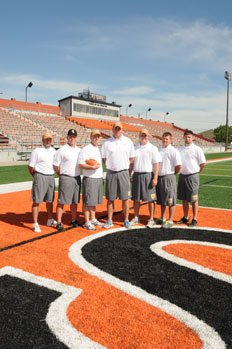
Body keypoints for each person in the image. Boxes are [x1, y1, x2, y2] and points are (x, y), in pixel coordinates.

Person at [101, 121, 135, 229]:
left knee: (125, 198)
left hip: (124, 172)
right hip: (111, 172)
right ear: (112, 130)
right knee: (110, 198)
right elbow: (104, 158)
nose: (117, 130)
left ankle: (126, 220)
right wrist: (112, 165)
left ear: (122, 130)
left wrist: (124, 164)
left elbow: (132, 157)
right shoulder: (107, 143)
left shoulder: (128, 141)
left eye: (119, 128)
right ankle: (109, 220)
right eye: (115, 128)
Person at [130, 129, 161, 228]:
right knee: (136, 198)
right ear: (139, 136)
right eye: (142, 135)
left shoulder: (152, 148)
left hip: (148, 175)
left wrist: (155, 177)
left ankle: (151, 218)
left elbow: (156, 164)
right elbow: (131, 163)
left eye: (145, 135)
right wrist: (129, 174)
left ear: (148, 136)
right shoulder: (135, 148)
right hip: (137, 175)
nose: (144, 137)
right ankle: (136, 217)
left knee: (150, 199)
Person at [28, 132, 57, 233]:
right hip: (40, 175)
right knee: (37, 201)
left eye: (50, 139)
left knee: (50, 200)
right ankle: (35, 223)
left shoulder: (54, 151)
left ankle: (50, 219)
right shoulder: (37, 151)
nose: (48, 140)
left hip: (50, 177)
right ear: (42, 140)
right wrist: (36, 176)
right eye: (46, 139)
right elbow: (30, 167)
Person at [53, 129, 82, 231]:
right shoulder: (62, 150)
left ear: (76, 138)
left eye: (74, 136)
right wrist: (63, 175)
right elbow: (56, 166)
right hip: (66, 177)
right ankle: (59, 222)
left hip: (77, 178)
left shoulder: (79, 150)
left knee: (75, 201)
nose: (72, 138)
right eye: (70, 136)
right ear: (67, 137)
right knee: (62, 201)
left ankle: (73, 220)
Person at [177, 130, 206, 227]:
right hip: (182, 176)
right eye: (186, 137)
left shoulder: (197, 149)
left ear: (192, 138)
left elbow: (203, 163)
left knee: (193, 198)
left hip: (192, 176)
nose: (187, 138)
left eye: (189, 137)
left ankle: (194, 218)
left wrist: (197, 171)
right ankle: (185, 217)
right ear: (183, 137)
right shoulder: (179, 149)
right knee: (184, 199)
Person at [78, 130, 104, 230]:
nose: (96, 138)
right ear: (91, 137)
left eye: (98, 136)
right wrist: (91, 168)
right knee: (88, 201)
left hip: (98, 178)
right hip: (90, 178)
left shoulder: (98, 149)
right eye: (94, 136)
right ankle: (87, 221)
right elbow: (80, 164)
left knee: (94, 201)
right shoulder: (86, 149)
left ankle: (93, 218)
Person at [156, 132, 182, 228]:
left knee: (171, 200)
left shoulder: (173, 151)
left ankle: (170, 220)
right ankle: (163, 218)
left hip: (169, 176)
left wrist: (173, 174)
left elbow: (178, 165)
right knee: (162, 200)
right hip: (160, 177)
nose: (165, 140)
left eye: (167, 139)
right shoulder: (158, 150)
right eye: (163, 138)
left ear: (170, 140)